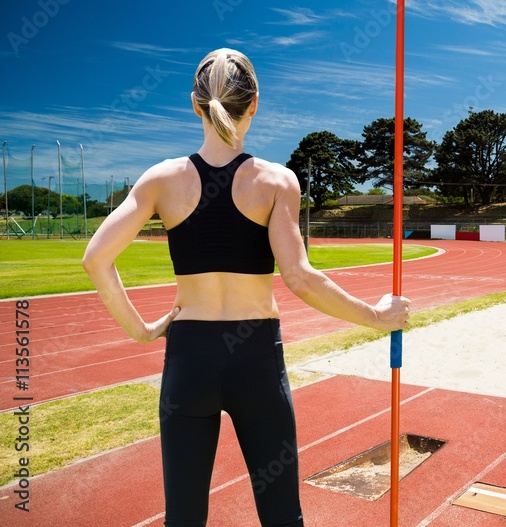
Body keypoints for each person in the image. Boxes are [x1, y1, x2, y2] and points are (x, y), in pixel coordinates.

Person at [82, 48, 410, 527]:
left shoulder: (162, 179)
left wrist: (142, 332)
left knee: (184, 518)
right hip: (255, 358)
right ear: (254, 103)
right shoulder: (276, 181)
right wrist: (377, 316)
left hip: (188, 359)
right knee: (281, 517)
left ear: (195, 104)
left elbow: (96, 258)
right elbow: (299, 277)